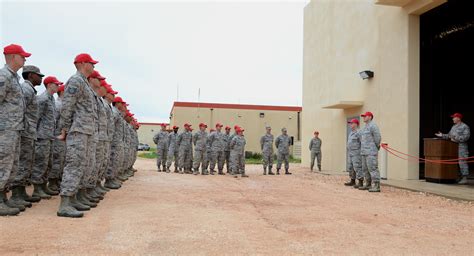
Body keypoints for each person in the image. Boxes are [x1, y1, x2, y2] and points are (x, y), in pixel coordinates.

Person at [56, 53, 99, 218]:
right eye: (91, 63)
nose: (94, 66)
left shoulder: (84, 83)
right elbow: (67, 107)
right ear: (82, 63)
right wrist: (65, 129)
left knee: (82, 165)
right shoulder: (75, 81)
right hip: (77, 131)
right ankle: (65, 204)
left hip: (86, 131)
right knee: (74, 165)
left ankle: (72, 199)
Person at [0, 44, 31, 216]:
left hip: (14, 129)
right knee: (2, 163)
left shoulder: (14, 78)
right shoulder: (4, 76)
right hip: (4, 129)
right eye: (22, 56)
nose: (25, 59)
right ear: (13, 57)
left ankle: (3, 197)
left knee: (10, 165)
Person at [8, 65, 43, 207]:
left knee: (26, 163)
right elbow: (20, 111)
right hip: (25, 132)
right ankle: (16, 194)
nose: (41, 78)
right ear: (30, 76)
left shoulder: (30, 90)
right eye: (38, 75)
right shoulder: (26, 90)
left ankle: (21, 192)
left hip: (29, 132)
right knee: (22, 163)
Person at [31, 76, 61, 200]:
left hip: (49, 136)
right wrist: (35, 134)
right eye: (56, 84)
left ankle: (43, 186)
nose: (58, 86)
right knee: (40, 163)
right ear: (49, 85)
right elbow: (36, 117)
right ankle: (37, 189)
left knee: (47, 163)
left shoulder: (51, 99)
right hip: (42, 136)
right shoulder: (43, 99)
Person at [435, 113, 470, 184]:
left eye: (454, 117)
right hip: (452, 148)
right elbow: (449, 135)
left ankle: (464, 177)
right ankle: (457, 177)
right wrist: (442, 135)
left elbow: (466, 137)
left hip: (461, 147)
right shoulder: (453, 127)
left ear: (458, 118)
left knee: (462, 162)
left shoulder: (465, 126)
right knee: (454, 162)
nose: (452, 119)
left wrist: (454, 138)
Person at [359, 111, 382, 192]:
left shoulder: (373, 126)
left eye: (365, 116)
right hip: (364, 152)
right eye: (363, 116)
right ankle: (368, 184)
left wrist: (376, 146)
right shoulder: (365, 127)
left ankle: (376, 185)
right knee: (365, 169)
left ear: (370, 117)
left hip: (371, 152)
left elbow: (377, 137)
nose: (364, 117)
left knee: (372, 168)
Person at [345, 119, 363, 188]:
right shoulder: (351, 132)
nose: (350, 125)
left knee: (357, 167)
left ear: (356, 124)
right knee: (351, 167)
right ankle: (352, 180)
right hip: (350, 153)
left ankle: (360, 182)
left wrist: (361, 152)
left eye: (352, 123)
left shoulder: (359, 132)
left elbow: (362, 143)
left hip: (356, 153)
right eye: (350, 123)